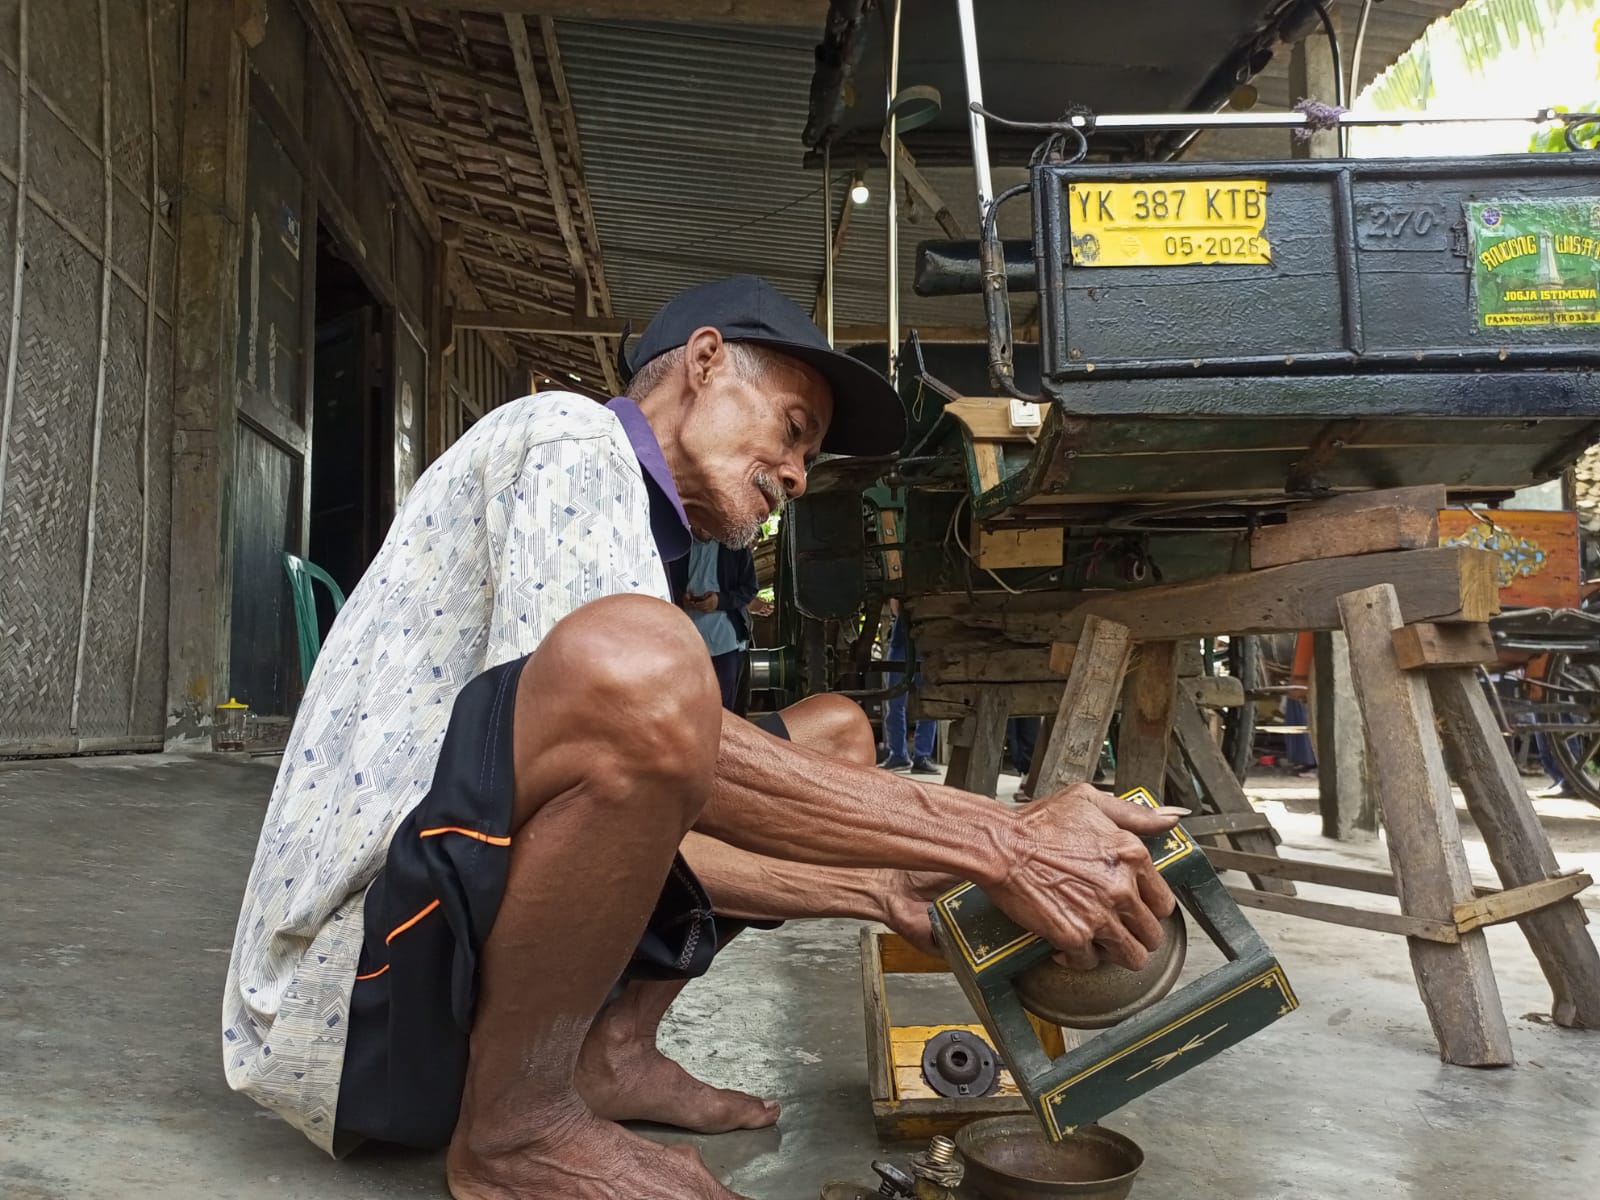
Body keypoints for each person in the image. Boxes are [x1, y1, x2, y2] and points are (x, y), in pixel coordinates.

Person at [222, 275, 1183, 1200]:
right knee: (652, 666)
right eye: (792, 432)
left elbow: (633, 820)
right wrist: (999, 840)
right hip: (349, 1000)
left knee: (836, 734)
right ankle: (515, 1129)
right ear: (706, 362)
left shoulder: (642, 536)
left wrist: (878, 888)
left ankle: (611, 1052)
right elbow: (635, 736)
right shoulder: (570, 436)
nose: (799, 477)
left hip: (437, 946)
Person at [673, 532, 759, 711]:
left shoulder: (734, 547)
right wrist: (683, 598)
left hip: (725, 639)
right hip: (687, 638)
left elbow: (749, 589)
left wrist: (719, 601)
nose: (703, 529)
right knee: (691, 702)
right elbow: (669, 584)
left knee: (725, 706)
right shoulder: (679, 547)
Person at [879, 600, 938, 773]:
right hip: (903, 639)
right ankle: (900, 755)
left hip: (922, 639)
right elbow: (896, 607)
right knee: (895, 702)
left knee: (927, 701)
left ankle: (921, 756)